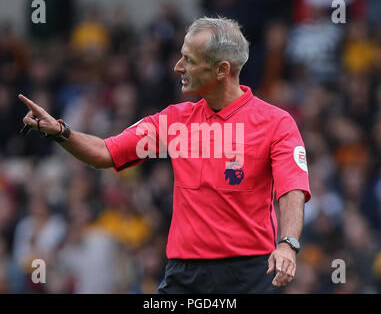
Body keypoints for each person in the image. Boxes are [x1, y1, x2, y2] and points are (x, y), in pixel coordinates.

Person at [18, 17, 311, 294]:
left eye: (189, 60)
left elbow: (292, 189)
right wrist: (59, 131)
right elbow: (106, 152)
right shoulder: (174, 122)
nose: (177, 66)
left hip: (248, 274)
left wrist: (287, 244)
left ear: (222, 70)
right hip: (184, 274)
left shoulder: (276, 123)